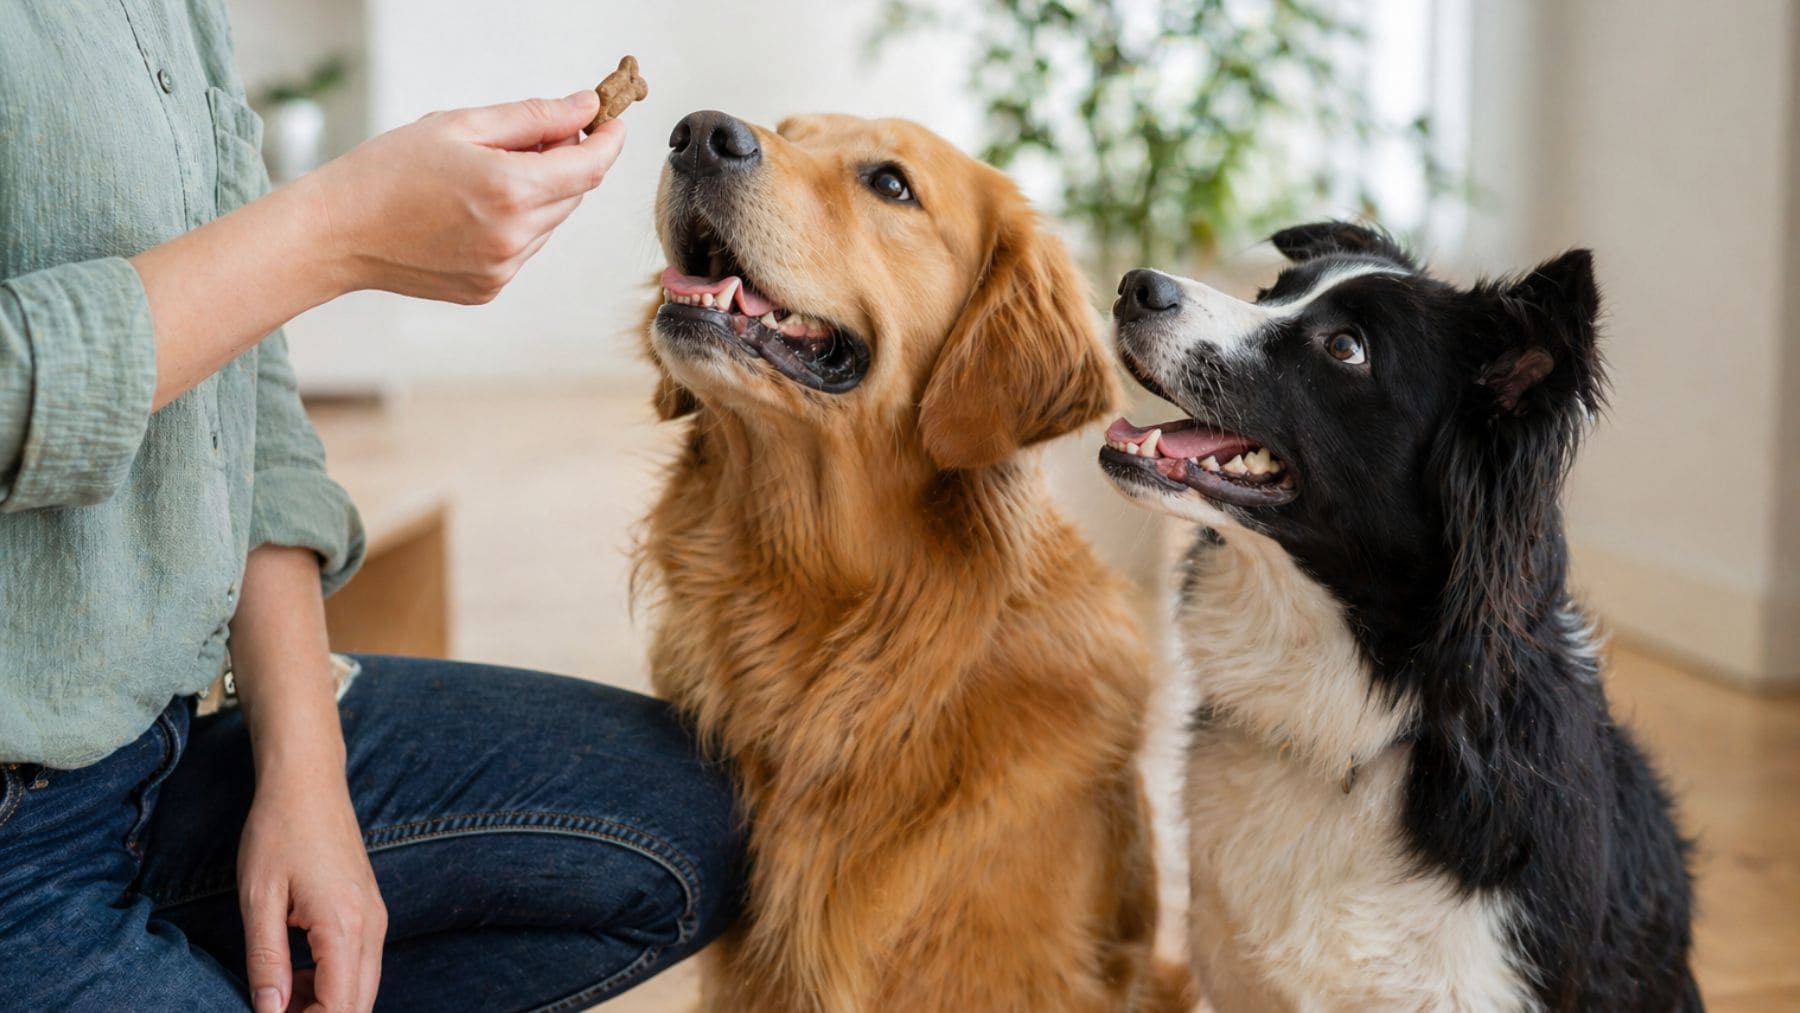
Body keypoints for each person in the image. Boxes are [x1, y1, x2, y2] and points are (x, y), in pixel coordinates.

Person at [0, 3, 743, 1011]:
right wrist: (333, 236)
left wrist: (306, 767)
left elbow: (243, 381)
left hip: (160, 756)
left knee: (697, 824)